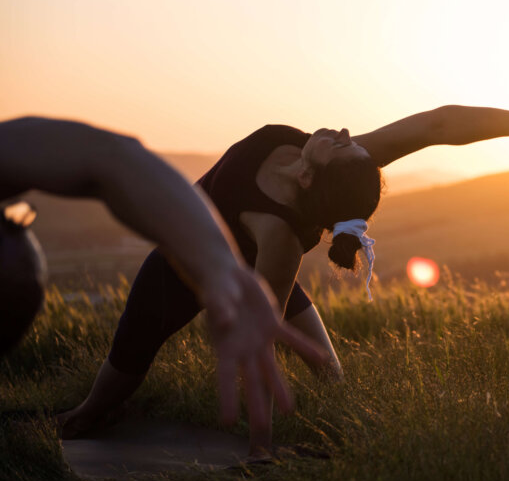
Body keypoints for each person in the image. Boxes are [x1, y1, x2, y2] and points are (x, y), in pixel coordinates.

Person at [59, 106, 509, 457]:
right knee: (106, 396)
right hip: (186, 261)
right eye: (351, 140)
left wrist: (260, 450)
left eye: (344, 143)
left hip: (211, 273)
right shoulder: (338, 169)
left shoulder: (279, 239)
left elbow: (259, 350)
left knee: (330, 374)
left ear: (311, 177)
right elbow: (439, 125)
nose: (348, 131)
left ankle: (329, 441)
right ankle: (96, 410)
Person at [0, 117, 327, 434]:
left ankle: (86, 416)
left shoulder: (285, 232)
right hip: (191, 268)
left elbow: (111, 155)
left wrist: (218, 267)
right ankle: (86, 415)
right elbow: (111, 154)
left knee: (329, 371)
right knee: (134, 342)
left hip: (221, 265)